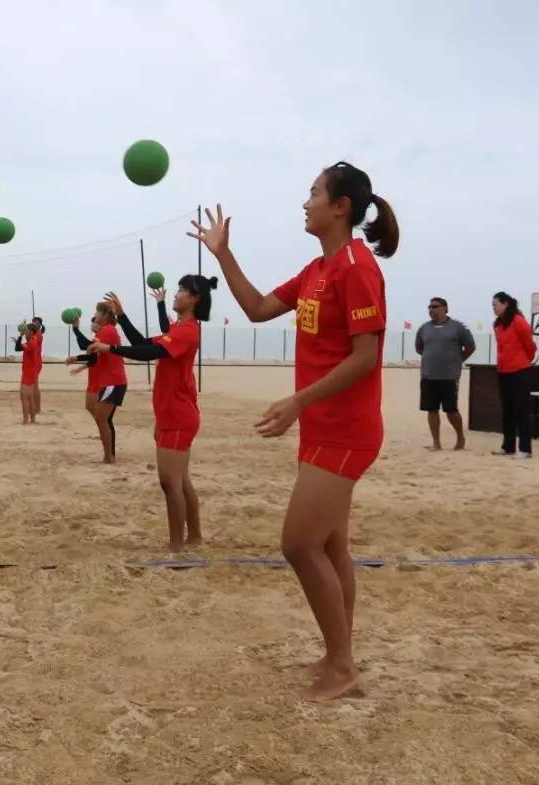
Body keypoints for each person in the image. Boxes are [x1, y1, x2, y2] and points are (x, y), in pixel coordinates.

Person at [189, 161, 399, 702]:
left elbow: (366, 356)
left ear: (340, 206)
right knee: (331, 547)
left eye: (313, 194)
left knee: (298, 545)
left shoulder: (357, 266)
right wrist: (223, 254)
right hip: (323, 428)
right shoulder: (316, 270)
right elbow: (258, 308)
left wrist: (298, 402)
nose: (304, 203)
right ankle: (338, 655)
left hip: (348, 429)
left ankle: (344, 665)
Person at [88, 277, 215, 550]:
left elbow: (149, 353)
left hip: (180, 417)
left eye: (181, 290)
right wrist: (121, 315)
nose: (176, 294)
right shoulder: (179, 328)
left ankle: (177, 546)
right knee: (180, 481)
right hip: (171, 414)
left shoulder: (188, 331)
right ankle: (193, 538)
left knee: (170, 483)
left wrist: (111, 349)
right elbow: (142, 342)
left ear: (194, 298)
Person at [414, 297, 474, 450]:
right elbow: (419, 348)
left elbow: (470, 346)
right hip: (428, 375)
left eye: (435, 306)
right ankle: (436, 443)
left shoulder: (458, 327)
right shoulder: (424, 328)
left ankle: (460, 438)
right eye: (430, 307)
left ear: (445, 308)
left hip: (449, 376)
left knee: (451, 410)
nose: (431, 309)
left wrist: (458, 360)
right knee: (431, 409)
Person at [70, 304, 127, 461]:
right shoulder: (104, 331)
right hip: (109, 381)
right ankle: (109, 456)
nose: (95, 316)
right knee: (103, 419)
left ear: (104, 314)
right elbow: (92, 352)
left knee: (102, 419)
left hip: (114, 381)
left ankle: (110, 456)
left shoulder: (108, 330)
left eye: (97, 313)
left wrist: (75, 329)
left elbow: (87, 347)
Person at [491, 292, 537, 458]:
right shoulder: (497, 324)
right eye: (492, 305)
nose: (493, 308)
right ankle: (508, 446)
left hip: (519, 371)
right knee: (507, 410)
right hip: (503, 371)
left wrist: (524, 361)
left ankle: (525, 449)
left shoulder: (518, 321)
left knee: (521, 410)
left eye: (495, 304)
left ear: (505, 304)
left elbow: (530, 345)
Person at [14, 322, 43, 424]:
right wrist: (19, 339)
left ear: (30, 331)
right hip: (31, 371)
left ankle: (26, 419)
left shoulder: (31, 343)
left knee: (24, 397)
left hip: (29, 372)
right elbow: (18, 347)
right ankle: (32, 419)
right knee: (29, 397)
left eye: (26, 330)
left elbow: (18, 348)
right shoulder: (32, 340)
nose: (25, 332)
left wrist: (20, 336)